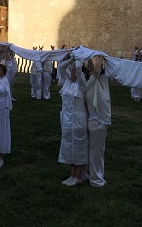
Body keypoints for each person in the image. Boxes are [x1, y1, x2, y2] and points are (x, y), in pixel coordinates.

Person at [58, 56, 87, 186]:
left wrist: (79, 58)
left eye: (74, 70)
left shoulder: (82, 85)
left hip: (78, 119)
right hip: (67, 119)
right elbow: (61, 67)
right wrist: (72, 58)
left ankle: (78, 175)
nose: (72, 71)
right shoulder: (68, 83)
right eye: (72, 70)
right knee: (69, 146)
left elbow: (80, 71)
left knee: (79, 146)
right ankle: (72, 174)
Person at [84, 55, 111, 187]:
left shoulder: (103, 83)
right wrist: (101, 58)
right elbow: (94, 72)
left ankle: (97, 175)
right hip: (96, 122)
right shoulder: (90, 84)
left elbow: (96, 71)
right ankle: (95, 179)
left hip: (102, 121)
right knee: (95, 151)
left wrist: (91, 59)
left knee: (99, 151)